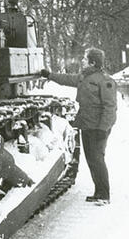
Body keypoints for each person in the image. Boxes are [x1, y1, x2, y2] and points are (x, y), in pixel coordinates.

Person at [41, 48, 117, 206]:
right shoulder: (84, 77)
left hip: (98, 128)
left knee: (97, 159)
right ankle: (98, 192)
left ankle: (104, 194)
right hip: (87, 125)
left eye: (85, 58)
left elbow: (110, 108)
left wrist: (103, 129)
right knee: (91, 160)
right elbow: (67, 79)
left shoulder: (105, 80)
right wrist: (49, 75)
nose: (82, 60)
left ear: (92, 62)